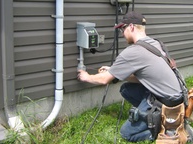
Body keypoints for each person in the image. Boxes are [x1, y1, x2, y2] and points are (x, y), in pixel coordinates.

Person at [77, 11, 183, 142]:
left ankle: (163, 130)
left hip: (164, 103)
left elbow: (104, 79)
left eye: (123, 28)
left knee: (126, 134)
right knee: (126, 89)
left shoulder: (133, 51)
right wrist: (114, 70)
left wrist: (86, 77)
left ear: (131, 26)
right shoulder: (155, 43)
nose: (122, 33)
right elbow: (143, 76)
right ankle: (160, 119)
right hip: (177, 98)